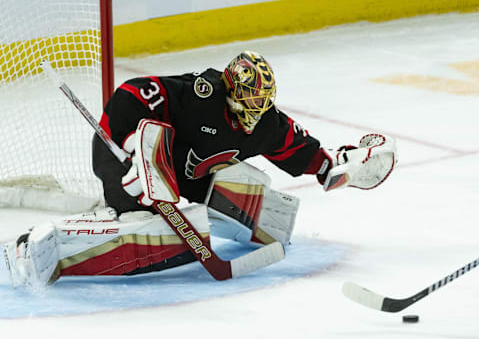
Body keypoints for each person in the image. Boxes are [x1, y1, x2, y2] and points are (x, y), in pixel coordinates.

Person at [3, 51, 397, 287]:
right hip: (127, 163)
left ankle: (167, 208)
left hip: (181, 180)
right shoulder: (202, 95)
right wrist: (130, 147)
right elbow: (132, 93)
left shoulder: (267, 124)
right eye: (250, 100)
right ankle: (48, 248)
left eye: (263, 102)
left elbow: (312, 156)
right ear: (231, 90)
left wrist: (345, 167)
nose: (256, 112)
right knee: (159, 236)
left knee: (248, 190)